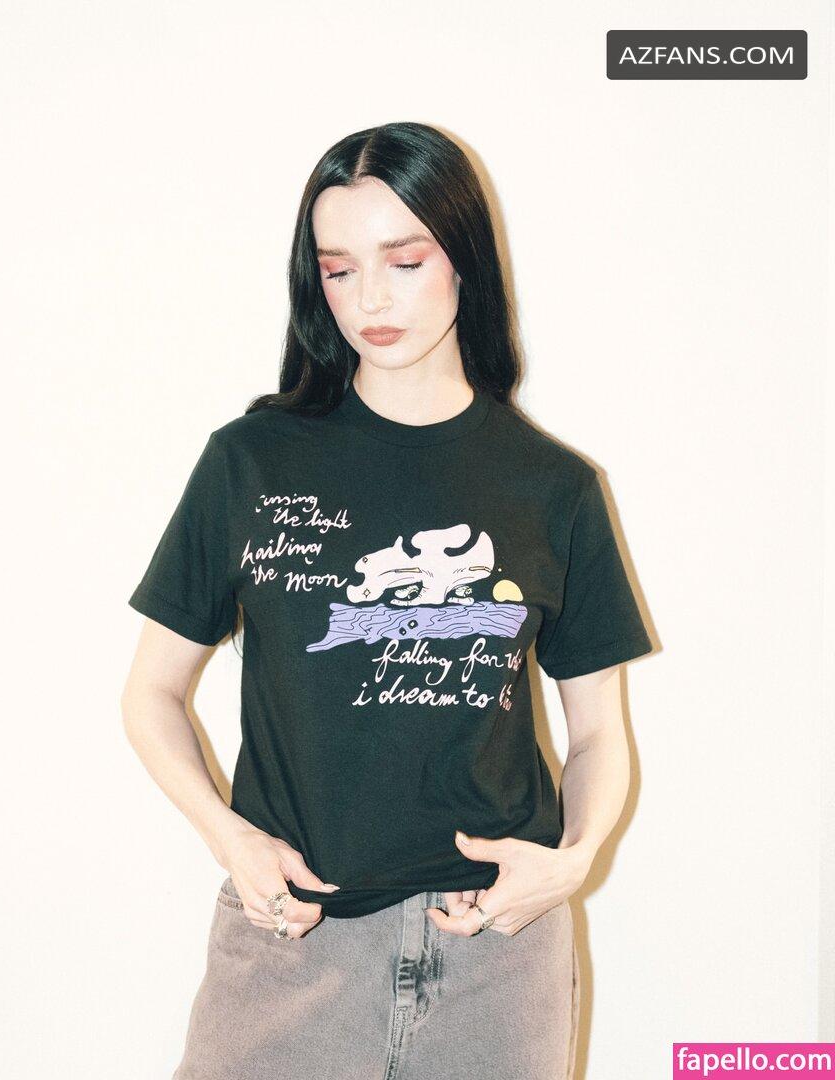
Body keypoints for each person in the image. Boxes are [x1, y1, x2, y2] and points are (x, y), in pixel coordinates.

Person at [121, 121, 655, 1080]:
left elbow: (598, 735)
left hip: (498, 949)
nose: (370, 298)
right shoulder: (252, 463)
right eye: (339, 269)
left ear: (465, 262)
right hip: (293, 938)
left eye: (404, 262)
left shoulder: (555, 487)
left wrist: (572, 860)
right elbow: (150, 694)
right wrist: (232, 840)